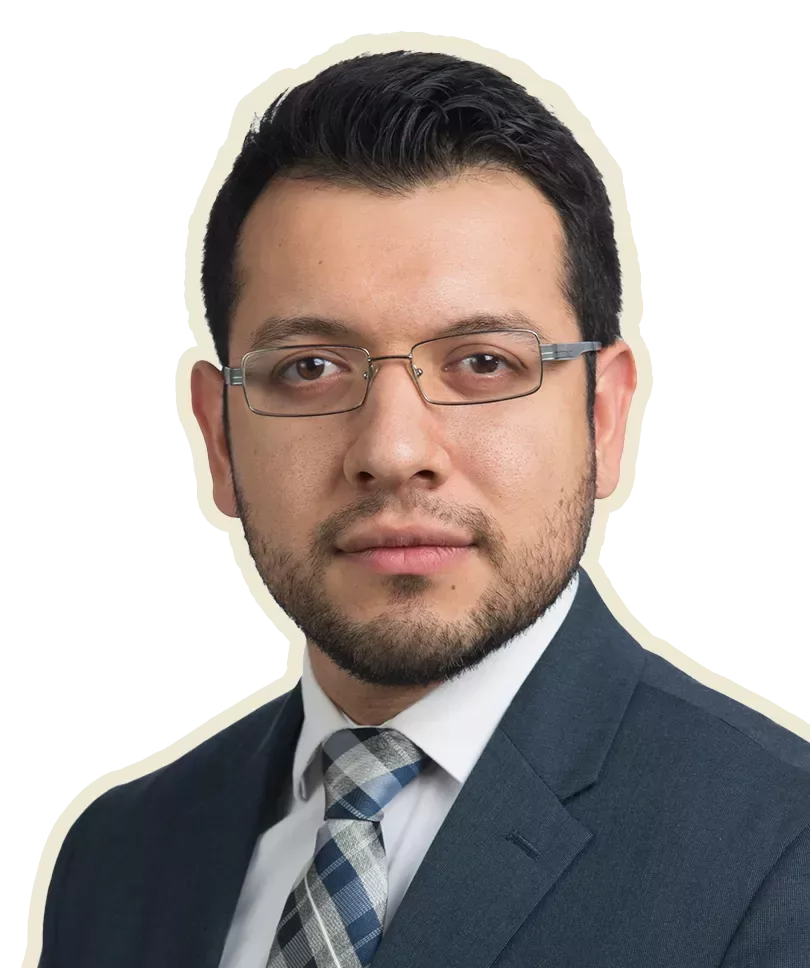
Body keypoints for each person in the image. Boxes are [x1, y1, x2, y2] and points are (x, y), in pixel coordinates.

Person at [38, 51, 808, 968]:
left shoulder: (783, 857)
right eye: (310, 369)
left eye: (483, 362)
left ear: (604, 419)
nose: (394, 451)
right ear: (220, 435)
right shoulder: (118, 857)